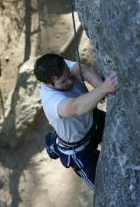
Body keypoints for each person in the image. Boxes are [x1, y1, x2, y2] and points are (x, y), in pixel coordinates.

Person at [34, 53, 118, 190]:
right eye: (63, 81)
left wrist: (99, 85)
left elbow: (81, 69)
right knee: (105, 187)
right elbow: (75, 107)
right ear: (49, 84)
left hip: (93, 121)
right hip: (78, 150)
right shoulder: (50, 100)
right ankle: (55, 145)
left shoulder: (59, 67)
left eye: (68, 75)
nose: (70, 81)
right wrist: (104, 88)